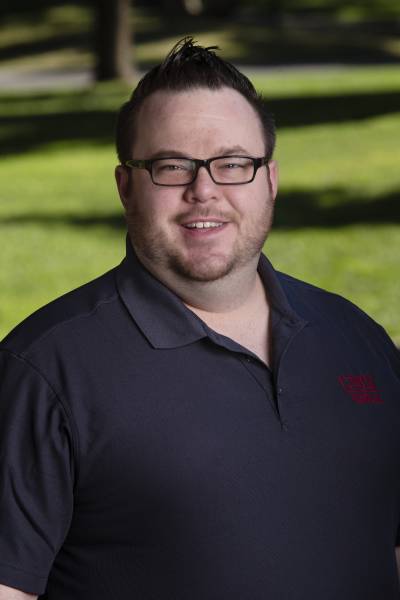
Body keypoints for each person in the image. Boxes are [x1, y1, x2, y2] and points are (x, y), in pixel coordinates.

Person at [0, 37, 399, 600]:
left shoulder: (357, 339)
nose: (204, 191)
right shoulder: (43, 371)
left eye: (233, 164)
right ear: (126, 187)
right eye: (172, 167)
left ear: (270, 181)